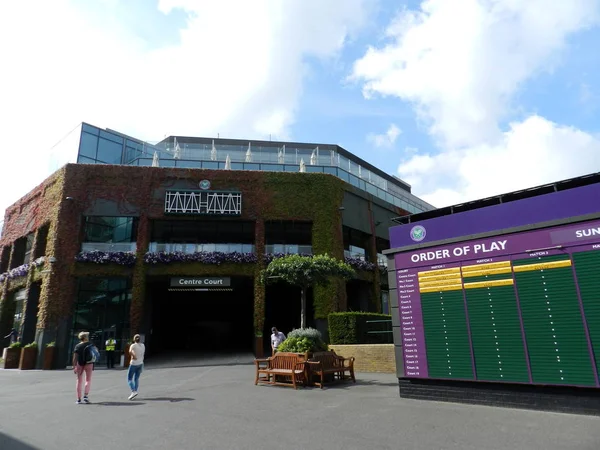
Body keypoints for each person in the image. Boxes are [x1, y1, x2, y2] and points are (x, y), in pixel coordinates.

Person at [73, 331, 93, 405]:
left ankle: (78, 399)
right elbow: (95, 352)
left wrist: (74, 366)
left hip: (80, 364)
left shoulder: (77, 346)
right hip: (89, 363)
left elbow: (75, 357)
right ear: (85, 337)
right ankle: (86, 396)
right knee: (88, 380)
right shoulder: (90, 344)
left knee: (79, 380)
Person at [127, 334, 145, 400]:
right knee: (136, 378)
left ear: (134, 339)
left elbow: (130, 351)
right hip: (140, 363)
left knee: (129, 378)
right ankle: (135, 391)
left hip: (134, 363)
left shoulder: (133, 345)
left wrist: (133, 356)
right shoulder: (143, 345)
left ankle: (133, 391)